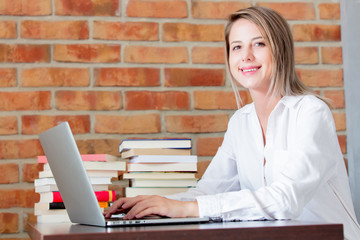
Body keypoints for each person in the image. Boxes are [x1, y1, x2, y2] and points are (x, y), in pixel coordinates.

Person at [105, 6, 360, 239]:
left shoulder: (311, 113)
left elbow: (285, 200)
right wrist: (155, 204)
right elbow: (208, 193)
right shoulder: (241, 122)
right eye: (237, 47)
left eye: (258, 44)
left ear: (280, 49)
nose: (246, 56)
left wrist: (184, 208)